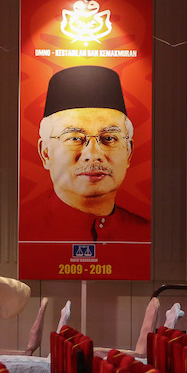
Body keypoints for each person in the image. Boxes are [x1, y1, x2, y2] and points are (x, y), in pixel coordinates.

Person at [21, 65, 149, 242]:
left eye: (109, 138)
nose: (93, 154)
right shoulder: (20, 235)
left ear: (128, 151)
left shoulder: (147, 237)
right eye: (75, 138)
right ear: (46, 153)